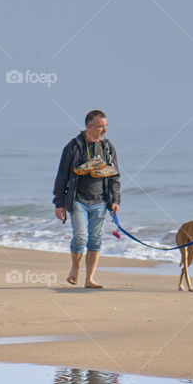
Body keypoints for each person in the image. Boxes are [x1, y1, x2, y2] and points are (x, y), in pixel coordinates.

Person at [52, 110, 121, 289]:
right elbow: (61, 176)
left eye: (106, 127)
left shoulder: (108, 147)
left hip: (100, 201)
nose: (104, 131)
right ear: (89, 126)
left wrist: (115, 201)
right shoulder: (73, 147)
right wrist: (59, 203)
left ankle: (89, 279)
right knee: (81, 237)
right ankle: (75, 267)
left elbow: (114, 176)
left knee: (95, 240)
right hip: (78, 200)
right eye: (101, 127)